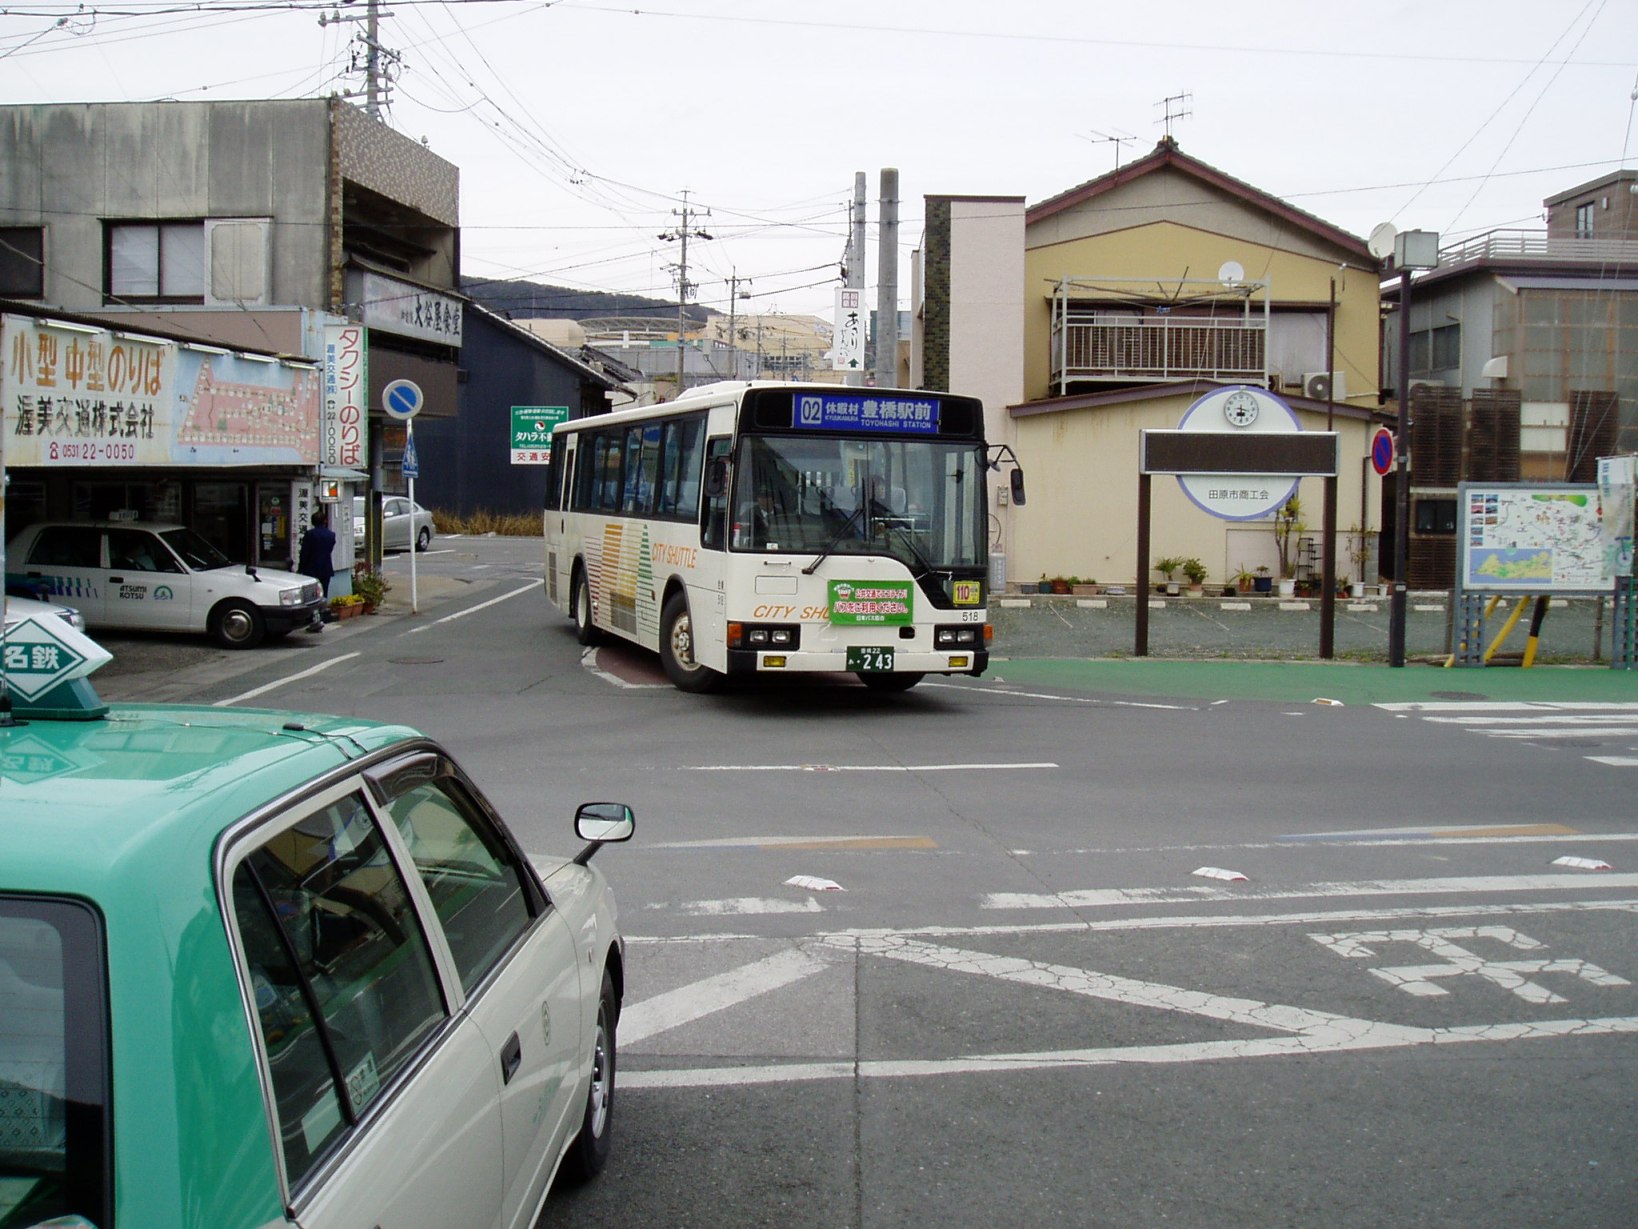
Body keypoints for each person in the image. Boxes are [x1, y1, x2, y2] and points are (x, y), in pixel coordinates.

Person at [297, 508, 336, 631]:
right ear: (325, 521)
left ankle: (314, 620)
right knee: (323, 594)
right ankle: (321, 617)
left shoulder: (310, 534)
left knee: (312, 597)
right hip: (326, 567)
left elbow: (305, 553)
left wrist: (300, 568)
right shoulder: (331, 535)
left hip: (311, 569)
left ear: (312, 522)